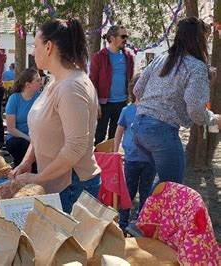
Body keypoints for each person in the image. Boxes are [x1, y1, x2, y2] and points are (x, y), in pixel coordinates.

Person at [8, 18, 101, 214]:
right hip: (55, 182)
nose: (33, 51)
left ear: (48, 46)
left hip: (73, 187)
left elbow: (75, 147)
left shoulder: (71, 86)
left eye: (35, 44)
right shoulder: (55, 81)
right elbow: (39, 132)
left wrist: (36, 178)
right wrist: (27, 162)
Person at [132, 17, 221, 184]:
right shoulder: (196, 67)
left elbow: (137, 89)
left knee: (160, 187)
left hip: (139, 127)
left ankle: (144, 210)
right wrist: (213, 119)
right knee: (170, 188)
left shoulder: (161, 58)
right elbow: (195, 110)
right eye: (206, 38)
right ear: (198, 39)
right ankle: (146, 210)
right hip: (161, 131)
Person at [113, 74, 156, 231]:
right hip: (131, 159)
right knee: (129, 191)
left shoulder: (153, 112)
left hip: (150, 160)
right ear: (134, 90)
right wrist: (115, 149)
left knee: (146, 192)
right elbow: (119, 130)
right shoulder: (127, 110)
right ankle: (123, 223)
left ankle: (142, 223)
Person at [90, 25, 135, 145]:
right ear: (112, 38)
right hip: (104, 103)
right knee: (99, 136)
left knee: (114, 138)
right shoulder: (99, 57)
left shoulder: (129, 57)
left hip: (122, 102)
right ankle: (98, 161)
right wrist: (96, 103)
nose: (125, 39)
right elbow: (92, 81)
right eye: (123, 36)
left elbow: (131, 79)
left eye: (126, 36)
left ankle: (111, 161)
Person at [5, 68, 40, 170]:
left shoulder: (40, 97)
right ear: (28, 84)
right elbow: (11, 129)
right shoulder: (14, 99)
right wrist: (29, 138)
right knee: (23, 145)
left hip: (36, 136)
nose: (40, 82)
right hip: (17, 138)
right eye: (37, 80)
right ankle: (22, 172)